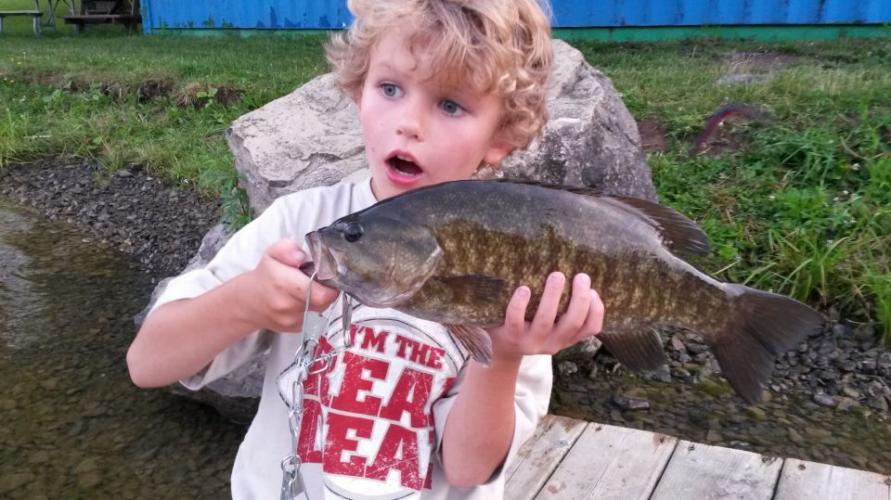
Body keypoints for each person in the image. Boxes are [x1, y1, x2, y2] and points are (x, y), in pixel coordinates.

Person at [127, 1, 605, 498]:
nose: (410, 123)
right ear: (359, 91)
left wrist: (504, 355)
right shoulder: (300, 225)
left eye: (450, 105)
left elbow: (467, 470)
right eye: (391, 88)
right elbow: (148, 364)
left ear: (501, 136)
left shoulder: (518, 261)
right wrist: (245, 299)